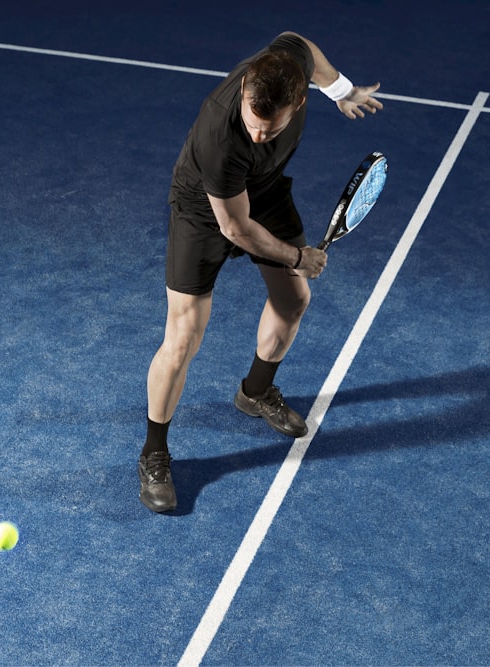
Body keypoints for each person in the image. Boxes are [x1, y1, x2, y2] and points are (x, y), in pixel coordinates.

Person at [139, 32, 383, 513]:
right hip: (205, 211)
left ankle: (255, 392)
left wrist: (340, 90)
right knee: (184, 334)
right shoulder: (221, 135)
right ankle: (154, 452)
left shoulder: (289, 67)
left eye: (268, 131)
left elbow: (303, 46)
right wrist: (297, 257)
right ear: (246, 88)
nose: (256, 135)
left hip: (264, 192)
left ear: (297, 99)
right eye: (252, 123)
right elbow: (234, 227)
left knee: (294, 301)